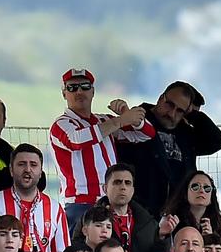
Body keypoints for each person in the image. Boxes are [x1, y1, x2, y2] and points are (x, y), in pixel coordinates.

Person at [48, 68, 151, 232]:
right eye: (72, 88)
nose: (79, 91)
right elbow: (76, 140)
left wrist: (127, 114)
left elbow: (146, 134)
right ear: (64, 93)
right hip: (80, 204)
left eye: (85, 86)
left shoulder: (104, 120)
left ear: (93, 91)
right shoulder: (61, 124)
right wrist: (120, 120)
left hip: (111, 203)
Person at [119, 80, 221, 219]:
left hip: (180, 213)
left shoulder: (186, 133)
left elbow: (216, 142)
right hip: (140, 212)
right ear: (161, 98)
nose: (172, 113)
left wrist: (194, 115)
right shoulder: (137, 123)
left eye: (180, 110)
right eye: (170, 105)